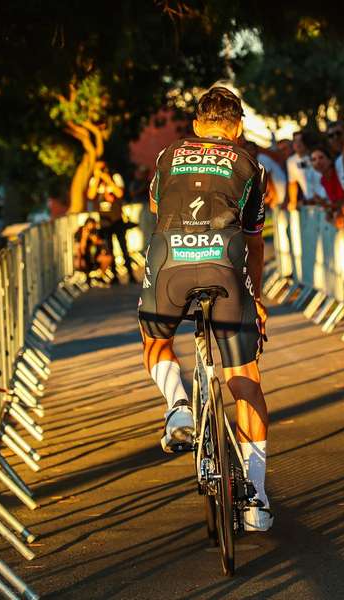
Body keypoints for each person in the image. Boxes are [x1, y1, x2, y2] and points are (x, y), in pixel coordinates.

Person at [138, 86, 272, 531]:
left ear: (197, 125)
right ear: (237, 128)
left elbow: (158, 206)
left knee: (156, 341)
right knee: (245, 379)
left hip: (171, 263)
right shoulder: (250, 164)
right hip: (224, 268)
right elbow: (253, 239)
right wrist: (256, 296)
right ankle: (256, 502)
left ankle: (178, 404)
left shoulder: (168, 155)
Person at [88, 162, 139, 283]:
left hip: (117, 219)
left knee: (123, 247)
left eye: (102, 168)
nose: (100, 171)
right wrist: (96, 178)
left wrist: (107, 179)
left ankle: (130, 274)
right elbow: (90, 195)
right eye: (97, 169)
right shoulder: (95, 181)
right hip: (104, 221)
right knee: (109, 249)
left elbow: (120, 193)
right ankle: (114, 276)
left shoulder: (115, 177)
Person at [310, 145, 344, 227]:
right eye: (313, 160)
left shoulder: (338, 173)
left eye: (321, 157)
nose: (318, 162)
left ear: (329, 160)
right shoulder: (323, 180)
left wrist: (325, 204)